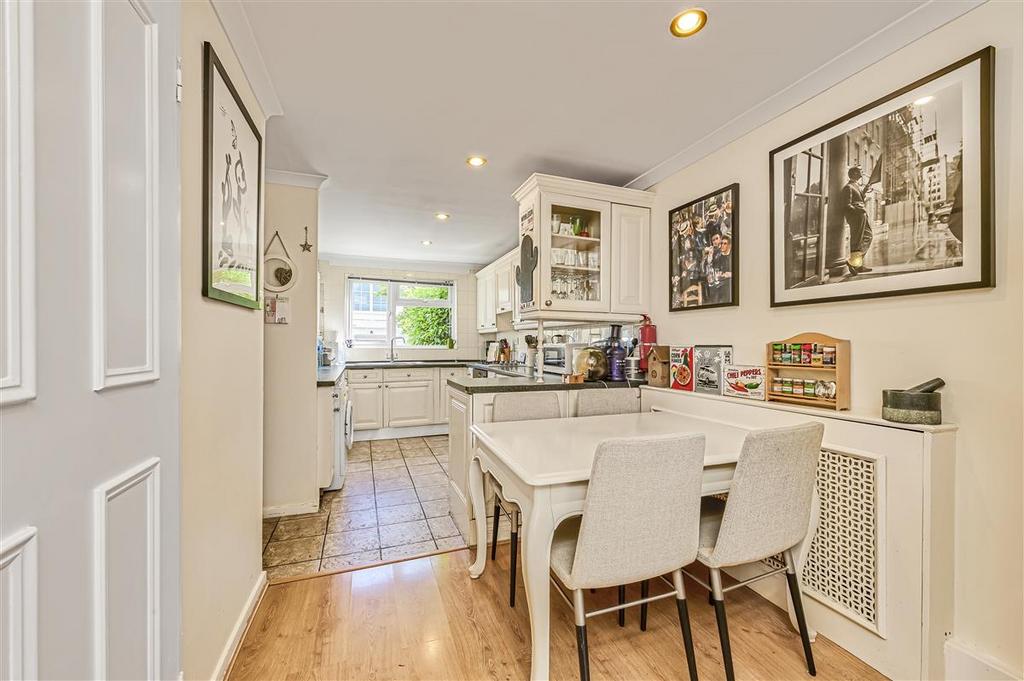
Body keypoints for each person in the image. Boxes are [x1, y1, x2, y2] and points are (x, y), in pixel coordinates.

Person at [841, 166, 873, 274]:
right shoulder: (848, 187)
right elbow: (846, 205)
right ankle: (856, 264)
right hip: (857, 216)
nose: (862, 172)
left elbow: (859, 199)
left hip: (862, 214)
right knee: (857, 241)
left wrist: (864, 191)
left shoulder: (856, 186)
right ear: (854, 173)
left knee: (868, 236)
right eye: (860, 171)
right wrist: (857, 210)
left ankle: (855, 263)